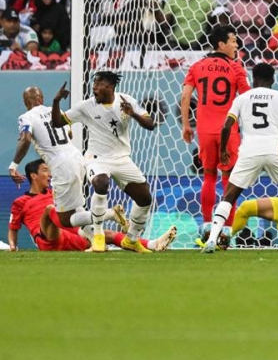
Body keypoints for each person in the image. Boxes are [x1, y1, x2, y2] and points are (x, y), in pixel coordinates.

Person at [201, 63, 278, 253]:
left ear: (253, 80)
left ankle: (212, 239)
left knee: (229, 196)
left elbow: (226, 126)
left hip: (249, 152)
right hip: (275, 150)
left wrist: (223, 151)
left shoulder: (241, 99)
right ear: (273, 79)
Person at [51, 72, 157, 253]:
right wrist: (56, 102)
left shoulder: (126, 101)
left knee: (145, 198)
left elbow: (150, 124)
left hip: (122, 159)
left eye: (99, 84)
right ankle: (98, 236)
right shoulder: (86, 106)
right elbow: (57, 122)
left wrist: (133, 114)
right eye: (94, 83)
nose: (95, 87)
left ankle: (132, 240)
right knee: (101, 183)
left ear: (111, 87)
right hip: (96, 158)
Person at [9, 85, 127, 235]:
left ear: (25, 101)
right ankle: (95, 239)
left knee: (64, 219)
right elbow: (69, 134)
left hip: (60, 165)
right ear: (42, 99)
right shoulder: (57, 111)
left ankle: (111, 214)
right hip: (77, 158)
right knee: (77, 208)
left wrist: (14, 165)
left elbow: (25, 139)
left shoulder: (26, 117)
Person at [8, 159, 175, 252]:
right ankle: (110, 214)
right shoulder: (21, 202)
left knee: (106, 234)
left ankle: (153, 244)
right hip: (48, 239)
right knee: (50, 210)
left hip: (71, 235)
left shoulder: (55, 193)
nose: (50, 174)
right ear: (33, 176)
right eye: (45, 170)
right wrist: (13, 246)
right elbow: (13, 227)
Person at [180, 25, 251, 233]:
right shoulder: (236, 68)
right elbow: (247, 98)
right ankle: (227, 229)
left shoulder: (197, 67)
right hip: (228, 131)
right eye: (233, 41)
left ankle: (206, 224)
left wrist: (186, 125)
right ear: (221, 44)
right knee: (229, 179)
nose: (236, 45)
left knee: (209, 176)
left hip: (205, 131)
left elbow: (185, 97)